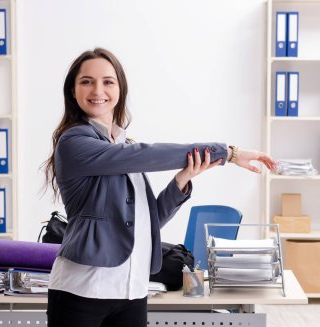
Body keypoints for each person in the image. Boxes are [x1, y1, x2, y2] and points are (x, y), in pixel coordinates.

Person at [44, 47, 276, 327]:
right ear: (73, 90)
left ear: (120, 89)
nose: (98, 90)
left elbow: (146, 221)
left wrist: (180, 182)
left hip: (132, 290)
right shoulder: (75, 142)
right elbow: (147, 154)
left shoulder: (123, 145)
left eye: (108, 81)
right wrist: (227, 152)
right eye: (86, 81)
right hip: (82, 291)